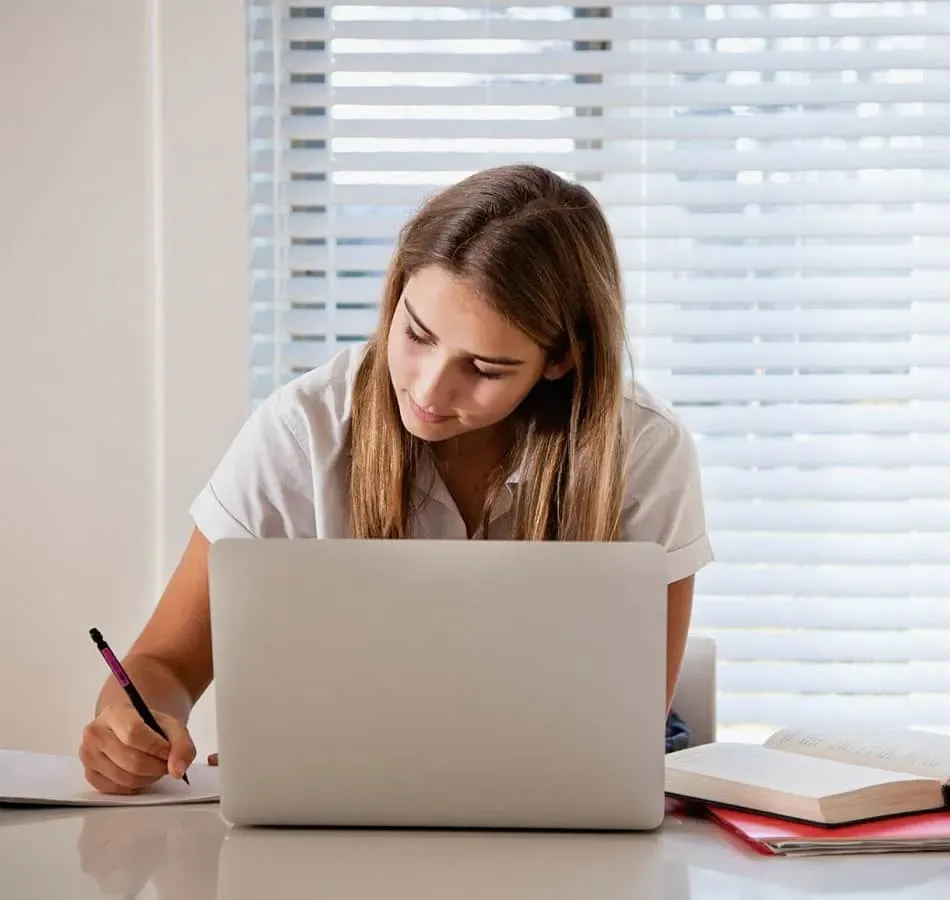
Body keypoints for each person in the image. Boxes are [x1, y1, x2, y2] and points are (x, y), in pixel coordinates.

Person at [79, 164, 714, 795]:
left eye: (486, 368)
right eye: (415, 334)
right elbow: (163, 664)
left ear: (560, 360)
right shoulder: (305, 431)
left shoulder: (644, 452)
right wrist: (132, 725)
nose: (429, 389)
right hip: (336, 816)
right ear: (397, 292)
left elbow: (632, 723)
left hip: (555, 812)